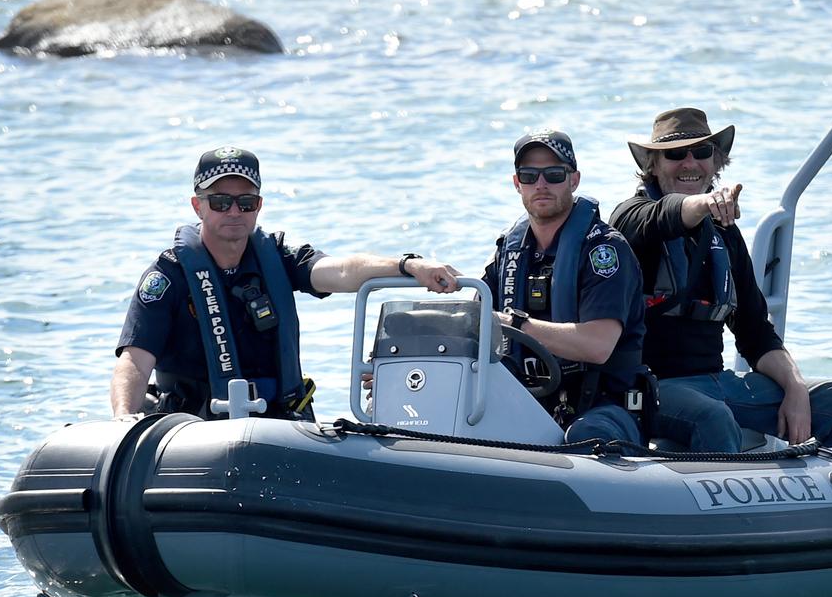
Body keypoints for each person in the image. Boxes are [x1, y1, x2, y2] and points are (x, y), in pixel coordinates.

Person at [111, 146, 461, 420]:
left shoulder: (277, 257)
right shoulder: (168, 277)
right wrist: (123, 417)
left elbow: (340, 271)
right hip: (195, 431)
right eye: (220, 202)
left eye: (245, 202)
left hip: (279, 425)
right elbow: (135, 362)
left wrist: (408, 264)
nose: (234, 212)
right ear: (197, 207)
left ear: (258, 206)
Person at [610, 108, 832, 452]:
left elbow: (755, 333)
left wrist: (795, 388)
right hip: (652, 389)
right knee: (712, 417)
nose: (690, 163)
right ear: (653, 165)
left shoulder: (725, 236)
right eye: (675, 154)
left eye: (701, 152)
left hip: (720, 384)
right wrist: (707, 202)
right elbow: (667, 214)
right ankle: (730, 504)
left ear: (716, 162)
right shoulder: (631, 219)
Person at [483, 130, 648, 445]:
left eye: (554, 174)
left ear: (574, 180)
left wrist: (516, 324)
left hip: (606, 405)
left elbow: (597, 346)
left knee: (586, 435)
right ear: (517, 184)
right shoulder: (510, 251)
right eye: (529, 176)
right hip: (531, 400)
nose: (541, 184)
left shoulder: (604, 250)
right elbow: (476, 317)